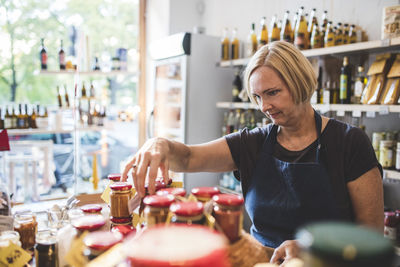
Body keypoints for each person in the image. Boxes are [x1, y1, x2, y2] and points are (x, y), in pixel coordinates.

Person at [122, 41, 383, 265]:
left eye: (273, 93)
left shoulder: (349, 142)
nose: (265, 106)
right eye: (257, 97)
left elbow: (371, 237)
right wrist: (161, 144)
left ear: (300, 82)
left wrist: (310, 248)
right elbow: (189, 157)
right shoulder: (252, 144)